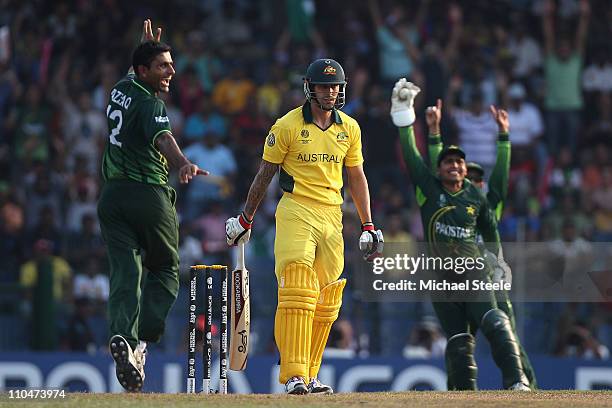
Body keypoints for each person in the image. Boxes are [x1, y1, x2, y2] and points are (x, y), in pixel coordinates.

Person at [225, 58, 383, 395]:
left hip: (332, 214)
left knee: (326, 299)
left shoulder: (349, 128)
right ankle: (293, 374)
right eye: (325, 86)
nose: (331, 91)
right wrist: (245, 218)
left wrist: (368, 224)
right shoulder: (287, 126)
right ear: (310, 88)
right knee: (298, 285)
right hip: (296, 209)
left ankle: (310, 375)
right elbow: (264, 175)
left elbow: (356, 177)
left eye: (336, 86)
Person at [390, 78, 530, 390]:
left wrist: (497, 262)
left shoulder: (477, 197)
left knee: (495, 321)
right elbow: (413, 156)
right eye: (447, 162)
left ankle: (518, 381)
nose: (454, 165)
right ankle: (463, 397)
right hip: (441, 280)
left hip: (474, 272)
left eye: (459, 162)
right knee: (457, 342)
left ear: (466, 170)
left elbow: (491, 229)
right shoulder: (428, 191)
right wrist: (404, 117)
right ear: (438, 170)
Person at [97, 20, 208, 392]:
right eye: (163, 65)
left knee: (125, 273)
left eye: (171, 64)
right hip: (148, 195)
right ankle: (142, 344)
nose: (171, 71)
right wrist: (184, 164)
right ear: (145, 71)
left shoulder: (121, 88)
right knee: (165, 270)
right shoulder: (150, 103)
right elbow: (163, 138)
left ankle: (122, 338)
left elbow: (134, 69)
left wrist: (145, 47)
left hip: (111, 197)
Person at [426, 99, 538, 389]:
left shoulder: (489, 205)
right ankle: (460, 393)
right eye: (469, 178)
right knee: (460, 345)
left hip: (487, 284)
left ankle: (528, 388)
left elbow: (500, 179)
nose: (473, 183)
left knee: (505, 331)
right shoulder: (450, 199)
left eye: (478, 179)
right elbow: (438, 171)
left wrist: (504, 137)